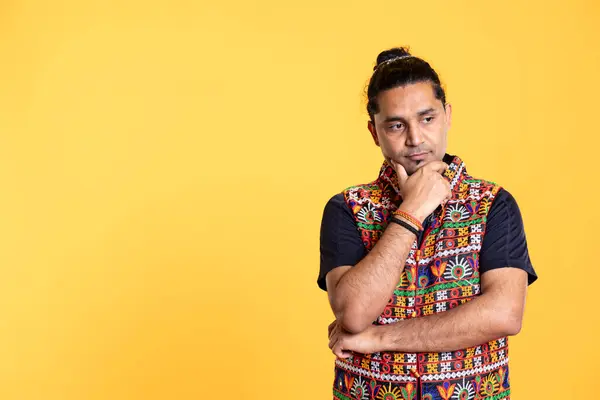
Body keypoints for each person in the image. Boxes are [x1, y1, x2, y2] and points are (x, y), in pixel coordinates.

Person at [317, 47, 537, 400]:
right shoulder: (347, 208)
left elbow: (504, 314)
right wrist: (412, 211)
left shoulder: (493, 204)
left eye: (427, 118)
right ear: (375, 132)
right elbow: (355, 314)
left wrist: (381, 338)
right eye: (396, 125)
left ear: (447, 116)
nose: (415, 139)